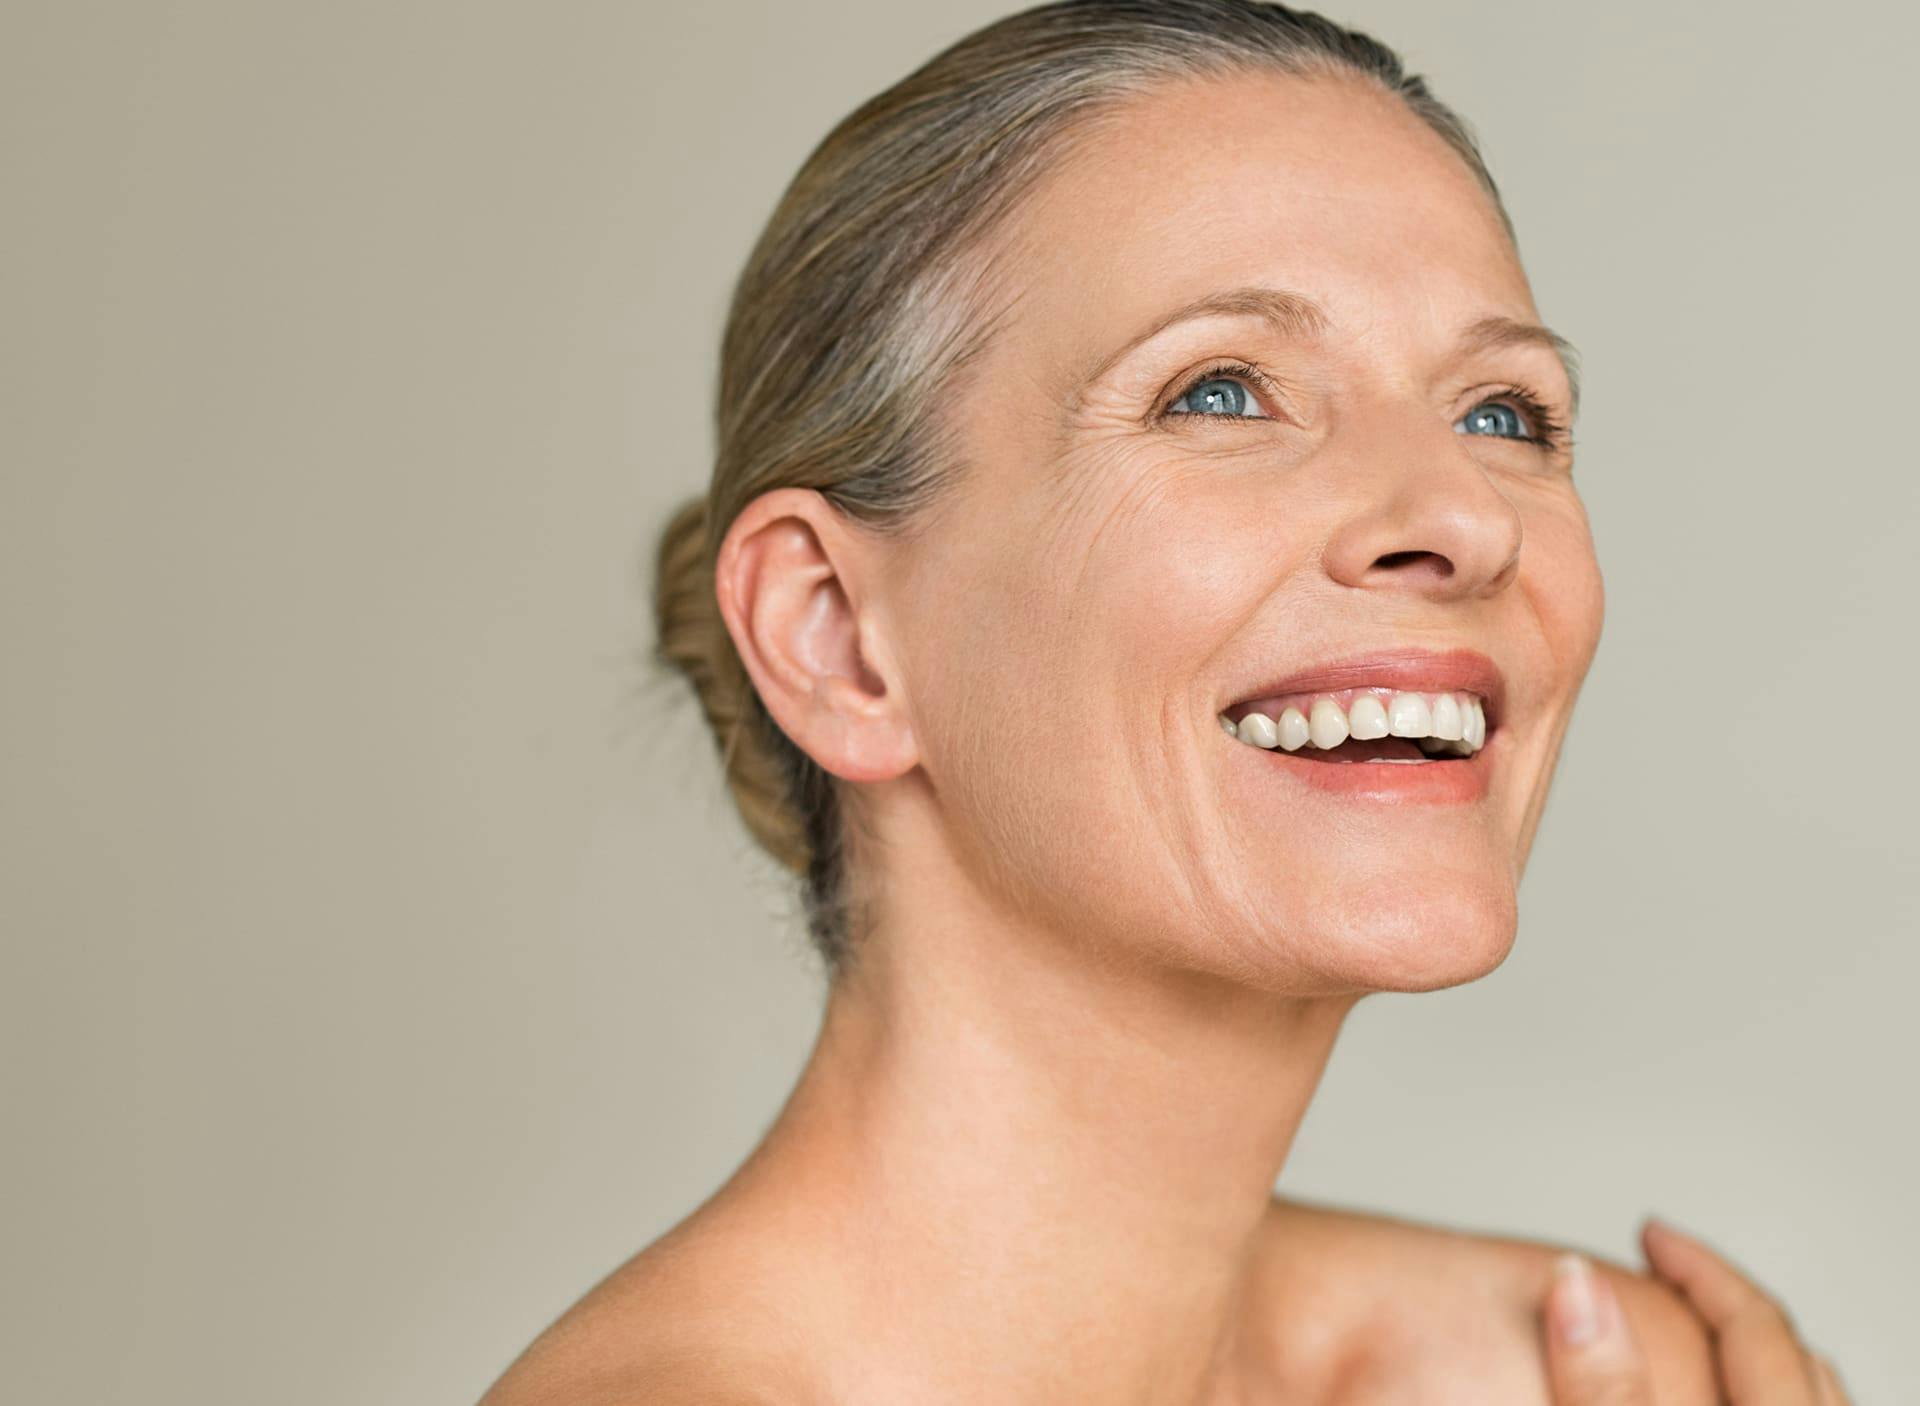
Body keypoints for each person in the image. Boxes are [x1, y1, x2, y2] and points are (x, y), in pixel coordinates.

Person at [480, 2, 1853, 1401]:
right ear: (835, 636)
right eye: (1221, 391)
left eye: (1504, 413)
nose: (1461, 515)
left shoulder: (1583, 1375)